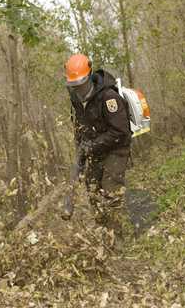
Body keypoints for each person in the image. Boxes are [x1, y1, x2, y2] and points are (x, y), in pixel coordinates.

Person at [65, 53, 132, 245]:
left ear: (89, 77)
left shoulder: (109, 97)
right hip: (95, 150)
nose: (78, 89)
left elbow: (120, 132)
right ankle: (104, 234)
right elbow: (80, 128)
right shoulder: (76, 101)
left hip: (117, 148)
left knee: (111, 189)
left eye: (81, 85)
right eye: (74, 86)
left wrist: (91, 146)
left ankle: (116, 240)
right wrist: (80, 154)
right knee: (93, 189)